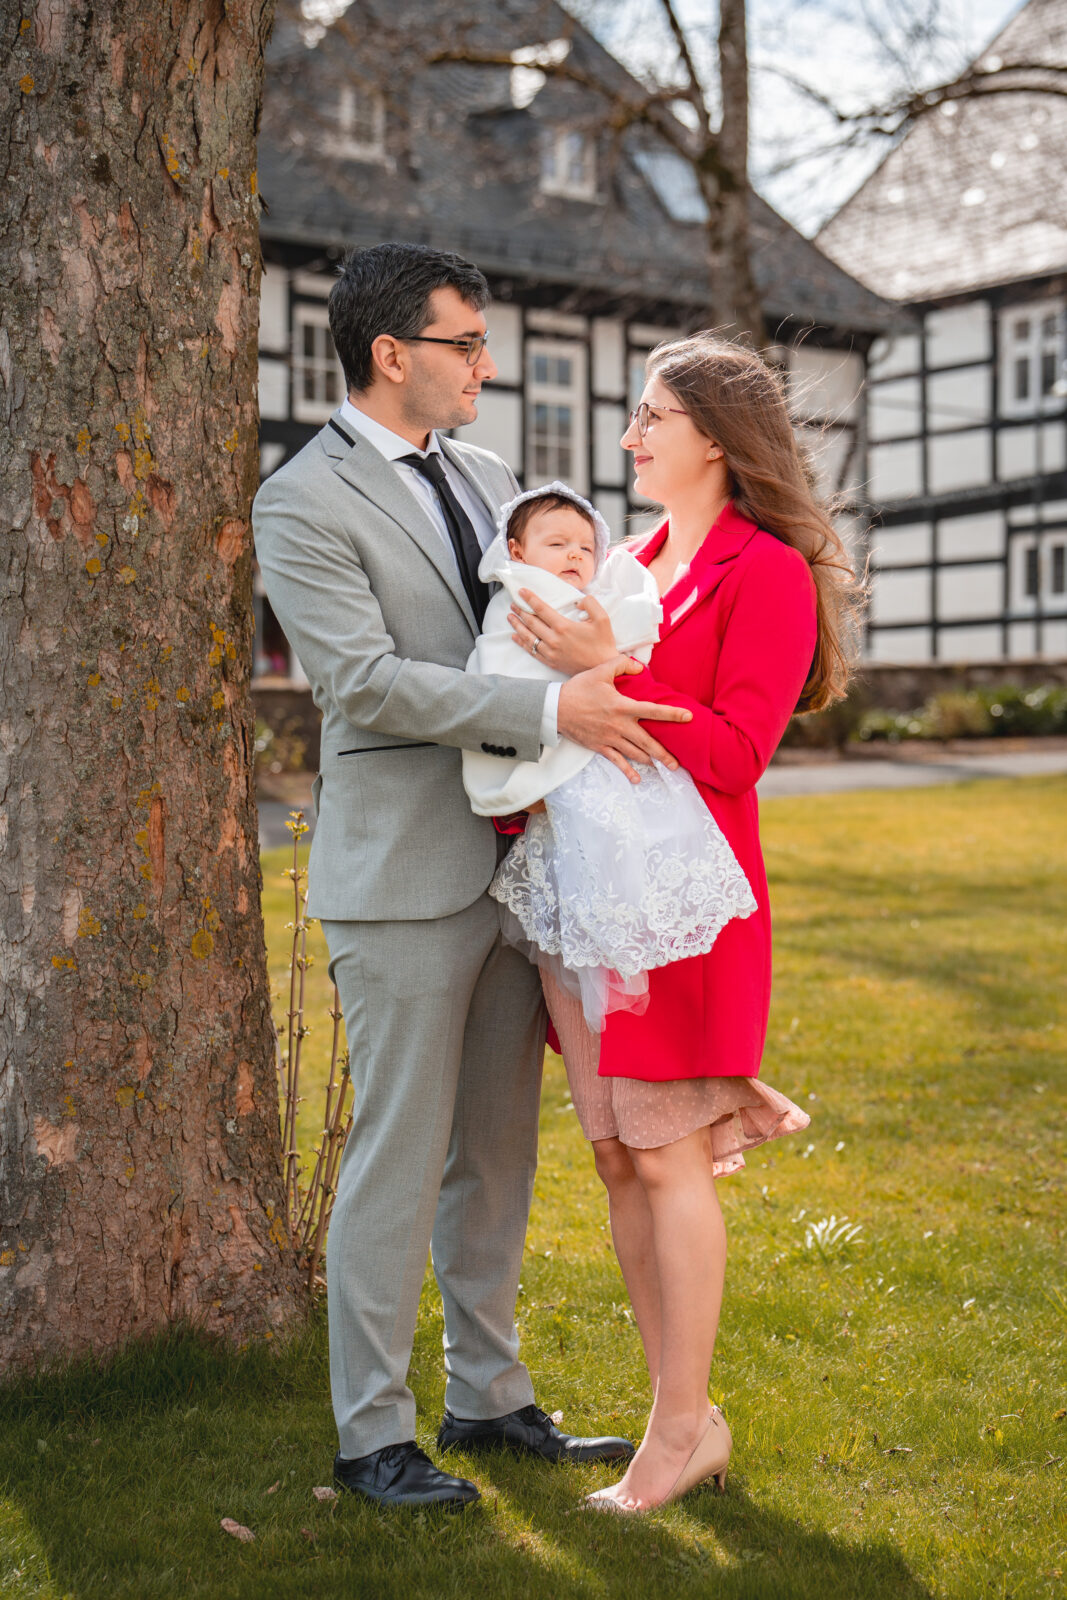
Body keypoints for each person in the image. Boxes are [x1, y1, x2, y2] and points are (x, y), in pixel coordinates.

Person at [251, 242, 693, 1511]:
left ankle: (487, 1399)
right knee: (398, 1156)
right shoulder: (302, 499)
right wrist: (554, 707)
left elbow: (552, 616)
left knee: (496, 1157)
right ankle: (370, 1436)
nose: (485, 366)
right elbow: (362, 684)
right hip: (401, 871)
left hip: (523, 865)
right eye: (466, 344)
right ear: (392, 353)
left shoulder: (496, 479)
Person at [503, 333, 865, 1513]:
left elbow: (737, 751)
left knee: (665, 1156)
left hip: (682, 910)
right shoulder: (631, 559)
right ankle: (686, 1416)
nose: (628, 438)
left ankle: (673, 1430)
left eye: (650, 416)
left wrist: (608, 672)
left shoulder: (766, 571)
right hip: (582, 901)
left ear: (712, 434)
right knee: (616, 1155)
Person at [462, 482, 757, 1029]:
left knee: (620, 842)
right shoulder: (521, 598)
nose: (575, 556)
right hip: (556, 741)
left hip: (604, 754)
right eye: (557, 545)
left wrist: (606, 644)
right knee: (589, 854)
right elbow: (498, 665)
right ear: (517, 553)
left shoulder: (603, 589)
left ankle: (633, 921)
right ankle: (610, 927)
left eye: (585, 547)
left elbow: (626, 625)